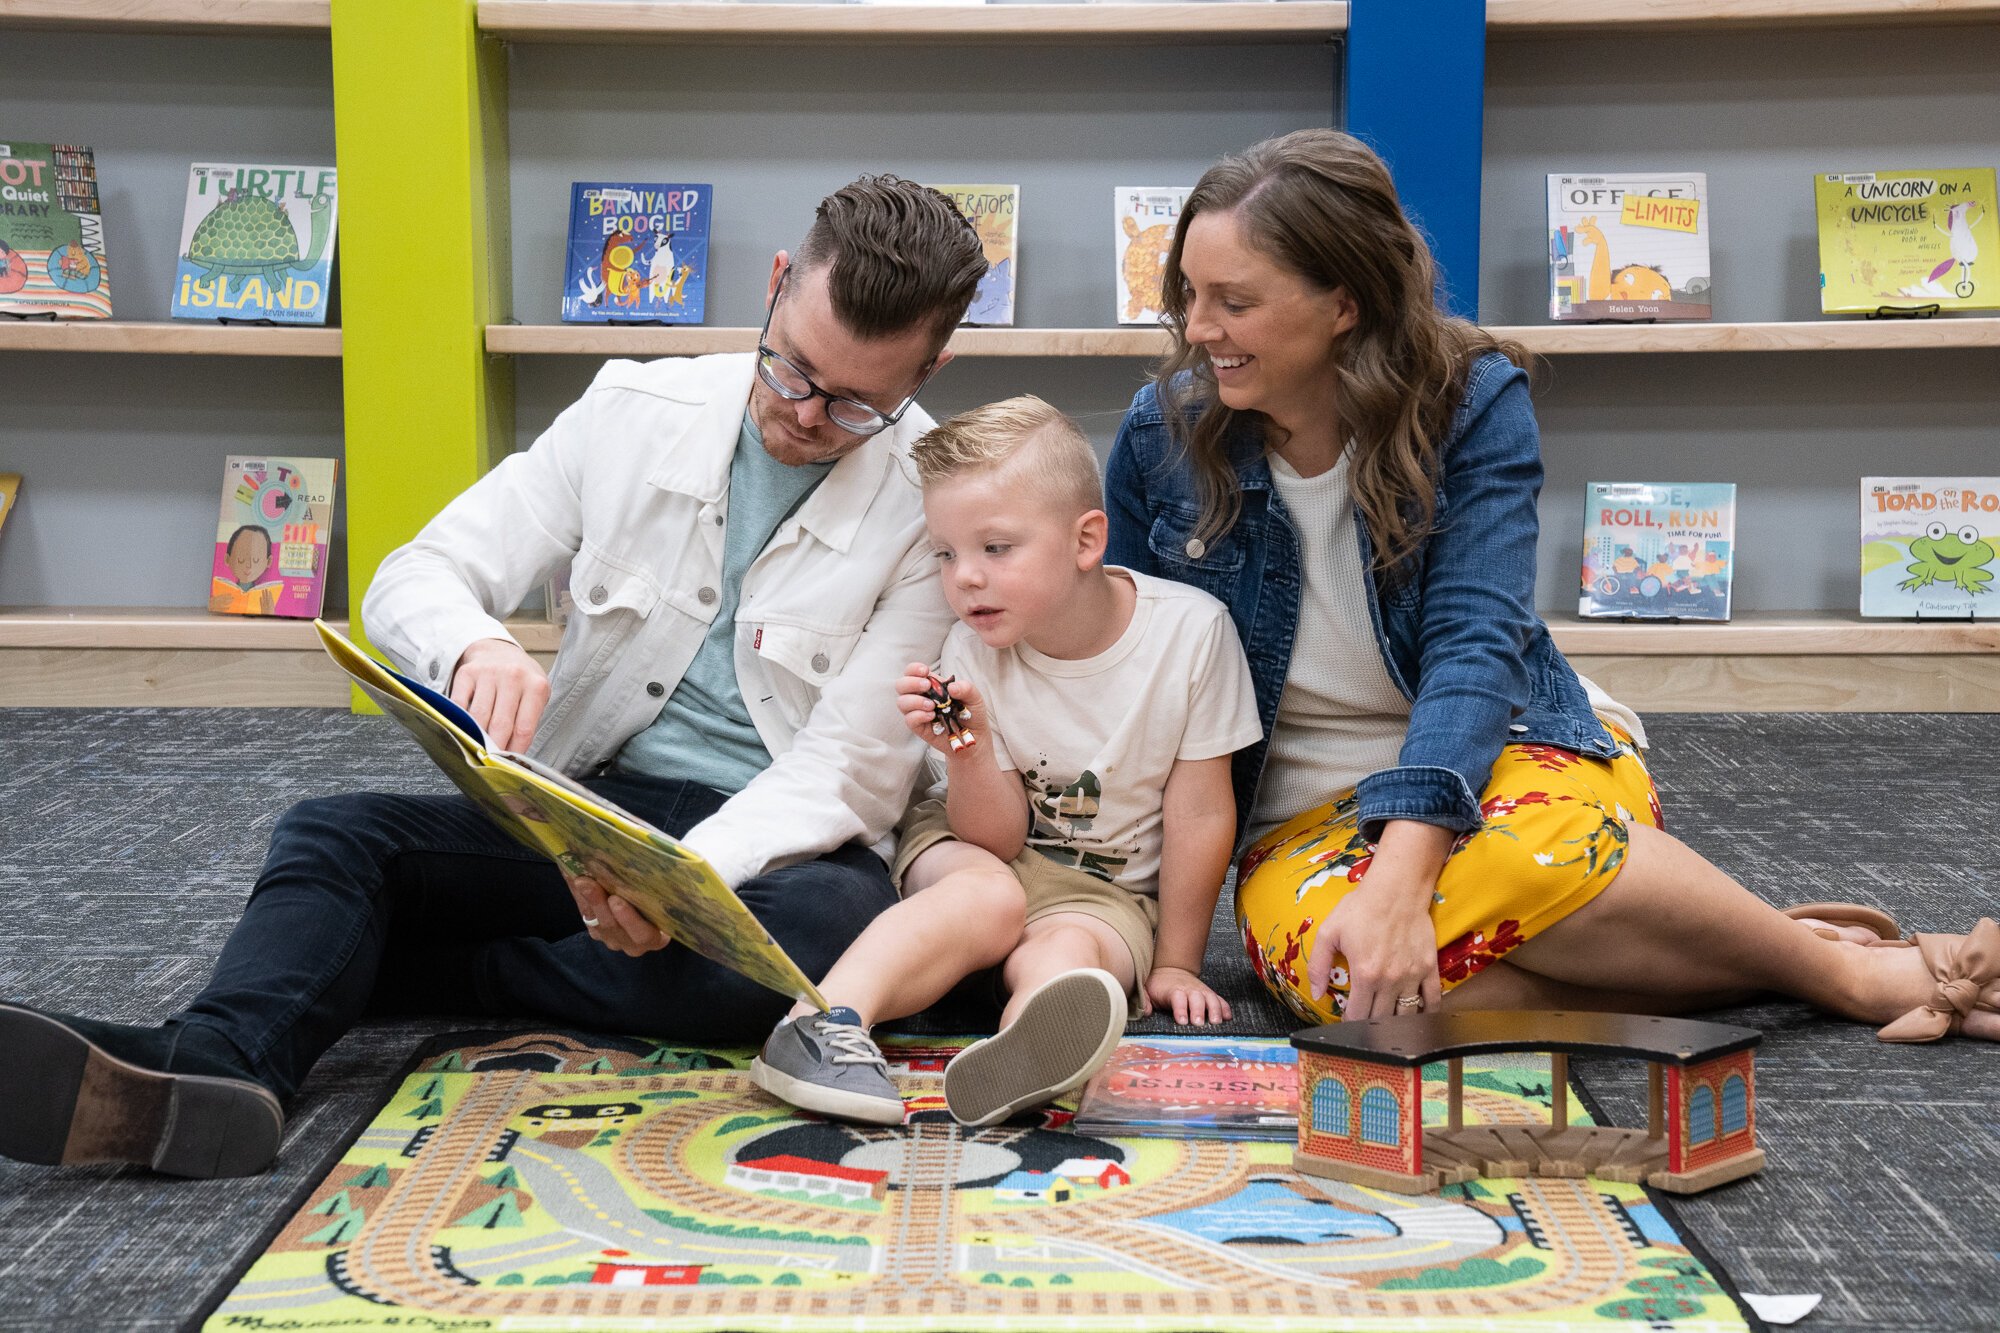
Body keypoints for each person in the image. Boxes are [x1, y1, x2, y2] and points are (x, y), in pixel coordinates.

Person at [0, 175, 991, 1180]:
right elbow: (414, 574)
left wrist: (683, 879)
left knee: (829, 933)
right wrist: (475, 647)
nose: (806, 415)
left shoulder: (934, 504)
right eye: (790, 370)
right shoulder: (631, 408)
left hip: (777, 845)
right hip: (592, 811)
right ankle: (219, 1060)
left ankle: (425, 970)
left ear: (931, 367)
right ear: (776, 284)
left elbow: (846, 774)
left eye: (857, 405)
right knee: (336, 834)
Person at [1104, 128, 1998, 1044]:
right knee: (1366, 997)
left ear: (1344, 301)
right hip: (1298, 821)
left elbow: (1473, 646)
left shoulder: (1469, 401)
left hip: (1505, 751)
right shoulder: (1159, 436)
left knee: (1538, 857)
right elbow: (1133, 666)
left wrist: (1405, 872)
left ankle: (1847, 974)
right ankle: (1739, 951)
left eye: (1233, 301)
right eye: (1189, 294)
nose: (1197, 327)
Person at [748, 396, 1262, 1129]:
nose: (965, 579)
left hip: (1104, 891)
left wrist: (1178, 960)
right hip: (977, 850)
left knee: (1072, 952)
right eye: (946, 553)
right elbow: (993, 840)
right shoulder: (970, 653)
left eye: (996, 549)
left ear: (1086, 541)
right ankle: (817, 1021)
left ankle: (1026, 1055)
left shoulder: (1191, 636)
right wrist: (969, 750)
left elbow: (1203, 812)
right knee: (987, 897)